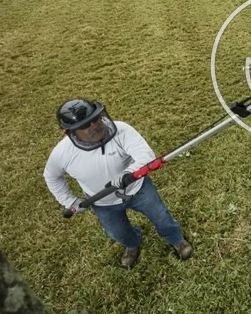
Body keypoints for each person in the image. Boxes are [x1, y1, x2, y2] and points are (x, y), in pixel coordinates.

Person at [44, 99, 192, 268]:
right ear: (68, 132)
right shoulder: (61, 154)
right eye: (86, 125)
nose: (94, 125)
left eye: (96, 118)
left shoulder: (121, 130)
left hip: (138, 189)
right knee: (117, 233)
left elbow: (145, 155)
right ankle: (132, 244)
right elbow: (51, 177)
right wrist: (69, 201)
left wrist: (128, 174)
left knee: (161, 216)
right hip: (103, 203)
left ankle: (176, 239)